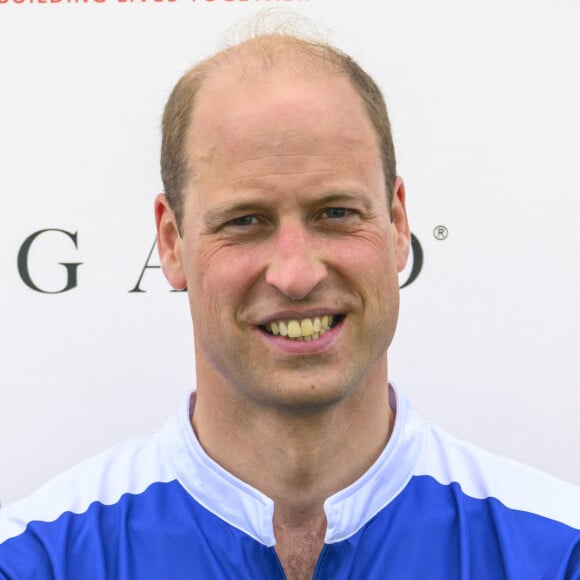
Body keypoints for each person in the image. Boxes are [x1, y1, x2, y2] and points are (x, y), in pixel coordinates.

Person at [1, 31, 579, 580]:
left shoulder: (556, 554)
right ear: (172, 243)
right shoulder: (37, 561)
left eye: (335, 213)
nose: (297, 274)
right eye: (246, 221)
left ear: (398, 223)